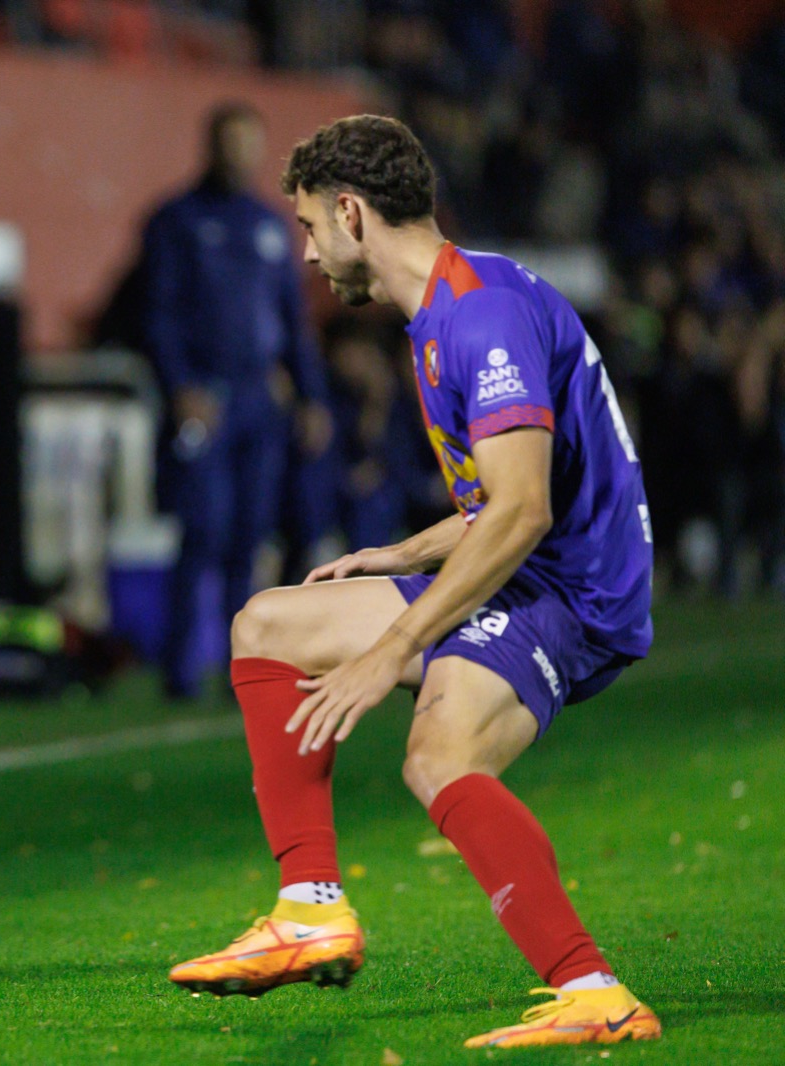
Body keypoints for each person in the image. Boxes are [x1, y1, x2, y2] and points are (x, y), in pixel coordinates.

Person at [166, 116, 663, 1049]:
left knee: (437, 755)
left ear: (352, 213)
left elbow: (520, 515)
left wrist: (391, 649)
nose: (308, 256)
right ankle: (309, 909)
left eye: (311, 228)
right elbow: (507, 496)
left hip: (572, 593)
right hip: (531, 567)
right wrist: (401, 554)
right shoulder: (447, 309)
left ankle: (592, 989)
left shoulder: (478, 317)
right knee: (268, 623)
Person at [140, 101, 330, 699]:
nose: (238, 156)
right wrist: (179, 387)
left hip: (258, 401)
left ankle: (238, 669)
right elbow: (158, 315)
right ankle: (179, 671)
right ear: (210, 145)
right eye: (228, 143)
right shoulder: (175, 220)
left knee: (250, 534)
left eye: (248, 144)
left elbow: (292, 323)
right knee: (204, 529)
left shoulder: (272, 225)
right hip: (206, 398)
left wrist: (310, 396)